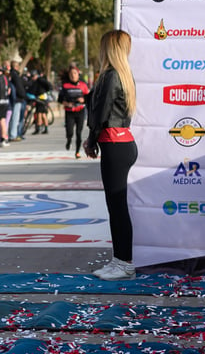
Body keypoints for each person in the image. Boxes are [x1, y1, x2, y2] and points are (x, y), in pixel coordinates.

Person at [84, 30, 137, 281]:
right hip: (120, 144)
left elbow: (101, 113)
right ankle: (120, 260)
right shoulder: (122, 75)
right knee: (116, 207)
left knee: (116, 207)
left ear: (108, 49)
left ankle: (124, 263)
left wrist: (91, 139)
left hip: (115, 145)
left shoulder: (110, 76)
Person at [59, 65, 89, 158]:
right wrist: (67, 104)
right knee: (70, 132)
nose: (73, 75)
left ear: (78, 74)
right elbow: (60, 99)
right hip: (69, 112)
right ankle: (68, 140)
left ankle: (77, 151)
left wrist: (83, 100)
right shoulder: (65, 86)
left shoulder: (83, 85)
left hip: (80, 111)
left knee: (79, 133)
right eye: (71, 74)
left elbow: (88, 98)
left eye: (75, 73)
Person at [8, 61, 28, 141]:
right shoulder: (15, 76)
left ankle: (12, 134)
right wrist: (24, 96)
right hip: (17, 99)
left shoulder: (11, 75)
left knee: (14, 117)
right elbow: (19, 88)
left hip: (14, 99)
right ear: (16, 67)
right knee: (15, 118)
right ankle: (13, 135)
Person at [28, 68, 52, 135]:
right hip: (42, 98)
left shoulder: (40, 80)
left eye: (33, 76)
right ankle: (46, 128)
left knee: (39, 113)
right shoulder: (37, 81)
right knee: (43, 114)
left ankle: (38, 128)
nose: (32, 78)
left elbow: (48, 85)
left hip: (41, 98)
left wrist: (48, 91)